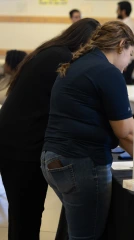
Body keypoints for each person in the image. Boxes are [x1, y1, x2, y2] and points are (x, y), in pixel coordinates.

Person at [0, 18, 99, 240]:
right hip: (21, 145)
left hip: (16, 140)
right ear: (85, 42)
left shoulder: (52, 51)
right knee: (27, 214)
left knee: (24, 213)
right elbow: (72, 103)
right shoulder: (61, 58)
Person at [40, 20, 134, 239]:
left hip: (52, 159)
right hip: (81, 162)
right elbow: (126, 133)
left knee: (78, 230)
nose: (128, 62)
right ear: (122, 44)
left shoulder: (78, 64)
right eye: (130, 54)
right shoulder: (108, 72)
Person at [117, 1, 134, 84]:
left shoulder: (128, 25)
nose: (116, 12)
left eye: (118, 9)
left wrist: (125, 62)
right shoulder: (125, 24)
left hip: (127, 62)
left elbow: (129, 44)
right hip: (125, 61)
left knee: (125, 88)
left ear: (123, 11)